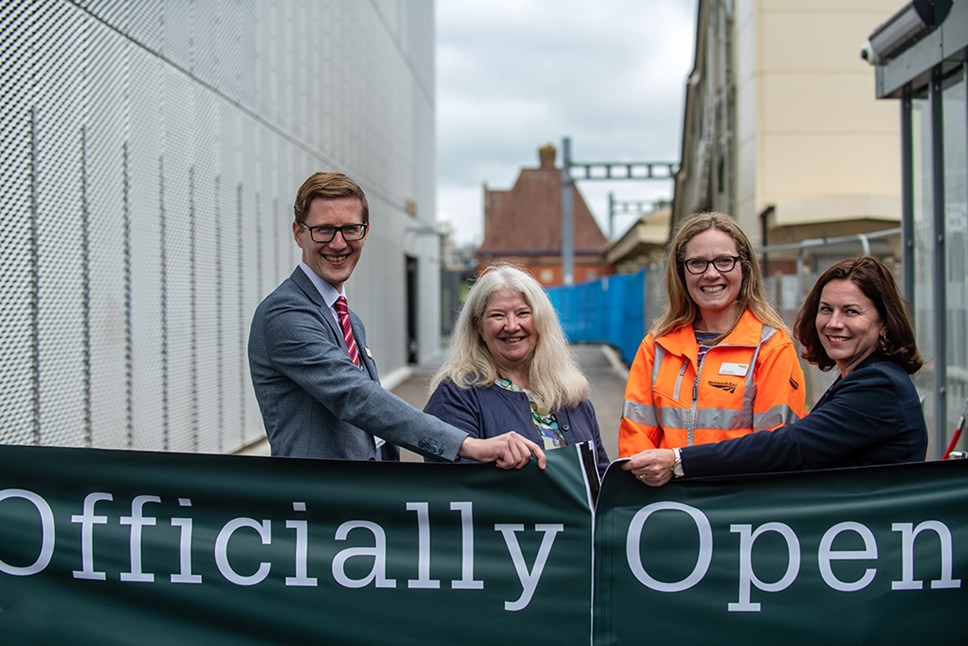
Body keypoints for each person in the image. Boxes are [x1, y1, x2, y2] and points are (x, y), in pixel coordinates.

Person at [248, 172, 546, 470]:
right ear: (298, 232)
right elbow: (356, 397)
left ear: (365, 232)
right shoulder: (285, 314)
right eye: (324, 230)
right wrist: (467, 445)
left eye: (351, 229)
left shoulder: (348, 319)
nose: (338, 244)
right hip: (315, 507)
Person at [624, 255, 928, 486]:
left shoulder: (879, 387)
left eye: (851, 311)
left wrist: (679, 460)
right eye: (826, 309)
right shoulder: (859, 379)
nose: (834, 323)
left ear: (884, 323)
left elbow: (789, 446)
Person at [619, 212, 806, 457]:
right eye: (697, 263)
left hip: (737, 493)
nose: (711, 274)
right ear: (681, 272)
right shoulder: (657, 347)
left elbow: (774, 450)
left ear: (744, 268)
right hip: (667, 493)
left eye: (724, 261)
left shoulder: (771, 348)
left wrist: (682, 465)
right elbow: (635, 439)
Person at [423, 264, 610, 478]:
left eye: (523, 313)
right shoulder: (456, 395)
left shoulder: (569, 392)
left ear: (541, 322)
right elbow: (455, 486)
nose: (512, 326)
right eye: (497, 315)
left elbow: (600, 474)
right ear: (479, 327)